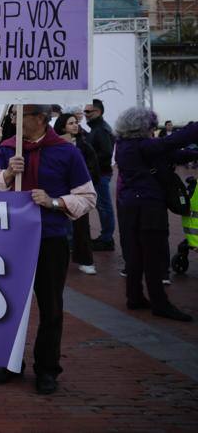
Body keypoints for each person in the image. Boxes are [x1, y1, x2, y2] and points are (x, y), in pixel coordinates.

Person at [0, 104, 96, 395]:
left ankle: (47, 368)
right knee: (9, 306)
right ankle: (10, 362)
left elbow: (87, 197)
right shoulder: (8, 149)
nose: (14, 121)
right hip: (12, 239)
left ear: (39, 118)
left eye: (19, 116)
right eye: (12, 116)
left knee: (51, 306)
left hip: (50, 238)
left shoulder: (66, 152)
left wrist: (54, 202)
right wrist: (9, 174)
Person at [113, 107, 198, 322]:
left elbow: (172, 153)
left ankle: (134, 297)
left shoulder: (125, 145)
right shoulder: (143, 146)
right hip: (149, 207)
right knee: (154, 254)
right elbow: (171, 143)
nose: (154, 130)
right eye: (152, 126)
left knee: (134, 254)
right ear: (142, 127)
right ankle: (160, 304)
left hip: (128, 206)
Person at [54, 113, 99, 275]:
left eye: (76, 123)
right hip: (58, 191)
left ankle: (85, 260)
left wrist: (83, 179)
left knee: (82, 226)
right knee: (58, 227)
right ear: (62, 127)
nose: (75, 125)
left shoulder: (83, 144)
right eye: (70, 123)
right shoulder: (54, 144)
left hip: (78, 192)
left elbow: (93, 165)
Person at [84, 99, 116, 251]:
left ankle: (107, 239)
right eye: (85, 111)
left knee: (104, 207)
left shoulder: (101, 129)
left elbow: (106, 153)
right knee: (103, 206)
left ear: (99, 112)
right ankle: (106, 237)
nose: (86, 114)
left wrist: (90, 161)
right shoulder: (97, 128)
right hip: (99, 173)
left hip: (101, 174)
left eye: (89, 111)